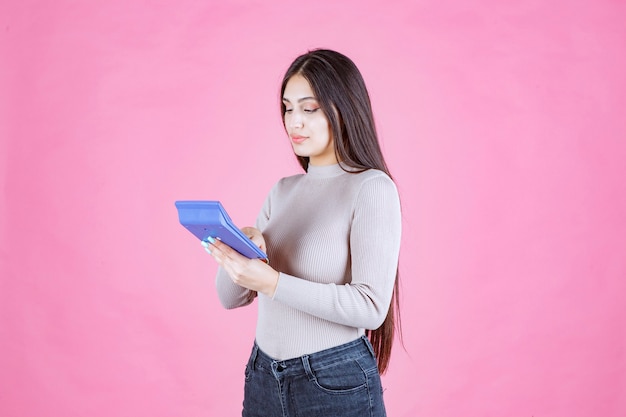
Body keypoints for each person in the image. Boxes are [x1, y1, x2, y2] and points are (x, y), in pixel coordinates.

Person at [203, 49, 402, 417]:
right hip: (263, 376)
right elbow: (228, 298)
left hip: (333, 382)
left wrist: (273, 283)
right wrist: (240, 248)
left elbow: (371, 308)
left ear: (343, 108)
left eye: (309, 109)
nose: (295, 122)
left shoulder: (371, 188)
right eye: (287, 108)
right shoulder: (282, 190)